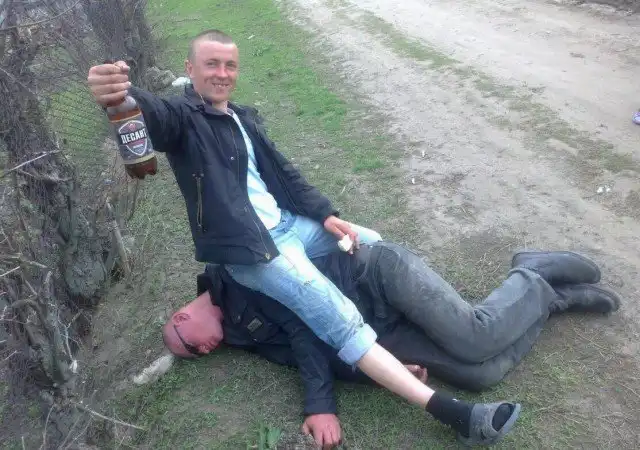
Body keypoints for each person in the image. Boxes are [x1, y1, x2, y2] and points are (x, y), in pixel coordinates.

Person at [162, 243, 620, 448]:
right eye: (199, 356)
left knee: (477, 338)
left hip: (376, 278)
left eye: (193, 348)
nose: (206, 352)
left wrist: (319, 407)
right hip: (372, 331)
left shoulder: (236, 276)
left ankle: (531, 270)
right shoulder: (242, 338)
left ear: (183, 318)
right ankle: (552, 301)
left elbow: (304, 331)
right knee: (481, 373)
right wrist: (386, 373)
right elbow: (322, 356)